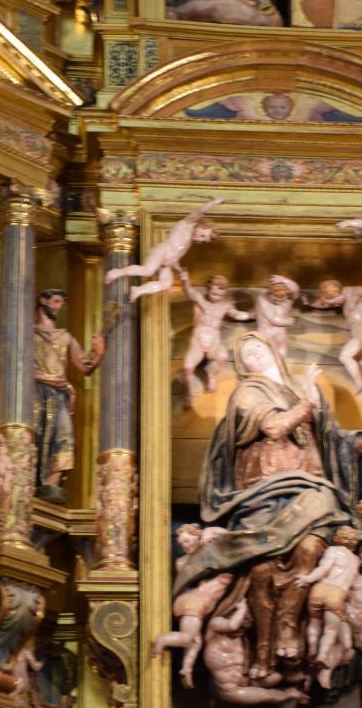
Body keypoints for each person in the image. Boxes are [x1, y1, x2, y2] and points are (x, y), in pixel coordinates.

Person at [177, 331, 362, 682]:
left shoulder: (299, 390)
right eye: (247, 353)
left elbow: (331, 439)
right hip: (261, 493)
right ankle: (264, 644)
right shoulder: (248, 392)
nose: (255, 355)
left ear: (272, 350)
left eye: (258, 348)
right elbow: (275, 427)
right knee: (261, 568)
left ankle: (289, 628)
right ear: (242, 365)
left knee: (309, 550)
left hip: (312, 490)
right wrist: (308, 401)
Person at [34, 289, 105, 503]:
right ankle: (28, 482)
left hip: (58, 396)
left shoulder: (65, 337)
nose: (58, 307)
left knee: (65, 439)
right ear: (42, 300)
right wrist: (48, 379)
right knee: (34, 436)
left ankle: (51, 486)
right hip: (34, 393)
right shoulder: (29, 333)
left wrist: (98, 352)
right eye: (55, 301)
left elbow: (86, 366)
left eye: (61, 303)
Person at [152, 525, 232, 688]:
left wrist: (209, 531)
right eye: (181, 543)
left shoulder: (206, 555)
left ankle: (186, 668)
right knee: (187, 638)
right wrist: (209, 534)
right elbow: (231, 541)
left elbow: (229, 537)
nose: (184, 545)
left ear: (198, 537)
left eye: (187, 541)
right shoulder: (188, 561)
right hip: (195, 603)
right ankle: (163, 640)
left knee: (195, 641)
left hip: (186, 602)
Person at [103, 198, 222, 302]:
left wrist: (179, 270)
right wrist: (214, 202)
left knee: (166, 284)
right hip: (162, 251)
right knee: (147, 271)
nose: (200, 240)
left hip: (166, 263)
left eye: (203, 241)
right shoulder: (186, 224)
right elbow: (200, 212)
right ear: (201, 225)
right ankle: (117, 272)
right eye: (202, 235)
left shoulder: (188, 243)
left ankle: (138, 290)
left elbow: (174, 258)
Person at [203, 599, 309, 705]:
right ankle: (290, 694)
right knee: (268, 697)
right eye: (243, 620)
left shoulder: (244, 638)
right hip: (230, 688)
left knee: (277, 678)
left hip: (249, 678)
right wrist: (242, 608)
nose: (242, 628)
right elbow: (232, 625)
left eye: (246, 623)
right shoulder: (215, 626)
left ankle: (293, 688)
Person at [302, 277, 362, 402]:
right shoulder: (344, 301)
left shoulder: (350, 291)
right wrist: (310, 303)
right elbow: (324, 303)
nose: (333, 304)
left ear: (333, 290)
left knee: (344, 356)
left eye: (331, 297)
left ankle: (360, 381)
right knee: (360, 368)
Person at [180, 268, 254, 408]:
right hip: (198, 342)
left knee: (222, 356)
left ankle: (211, 374)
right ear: (208, 289)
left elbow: (237, 314)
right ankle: (189, 391)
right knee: (187, 367)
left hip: (213, 342)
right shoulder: (201, 300)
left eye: (220, 295)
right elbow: (189, 291)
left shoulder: (224, 305)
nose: (217, 297)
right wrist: (185, 280)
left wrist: (252, 314)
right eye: (214, 294)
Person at [295, 526, 360, 668]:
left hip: (320, 589)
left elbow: (323, 569)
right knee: (331, 630)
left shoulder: (333, 550)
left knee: (315, 621)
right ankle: (322, 655)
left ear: (337, 537)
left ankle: (312, 649)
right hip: (338, 593)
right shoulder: (356, 560)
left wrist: (307, 579)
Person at [255, 275, 300, 358]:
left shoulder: (288, 299)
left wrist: (284, 280)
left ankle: (280, 364)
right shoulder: (263, 299)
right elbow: (273, 320)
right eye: (276, 290)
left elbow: (296, 289)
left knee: (281, 350)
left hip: (280, 330)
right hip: (266, 329)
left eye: (283, 290)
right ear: (270, 290)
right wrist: (289, 321)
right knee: (264, 350)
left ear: (287, 291)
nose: (280, 292)